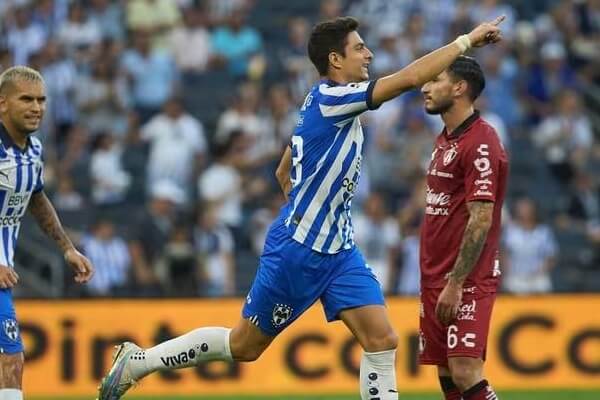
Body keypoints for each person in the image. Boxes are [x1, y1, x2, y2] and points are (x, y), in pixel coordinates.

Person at [98, 15, 504, 400]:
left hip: (339, 250)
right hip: (300, 250)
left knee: (382, 340)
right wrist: (467, 41)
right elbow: (411, 78)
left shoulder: (325, 101)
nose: (369, 55)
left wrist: (296, 179)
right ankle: (140, 361)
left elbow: (288, 160)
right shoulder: (335, 97)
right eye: (360, 49)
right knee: (243, 345)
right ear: (335, 59)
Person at [0, 66, 94, 399]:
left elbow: (36, 199)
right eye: (26, 99)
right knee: (9, 357)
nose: (36, 107)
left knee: (10, 358)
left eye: (41, 100)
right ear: (3, 104)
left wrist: (67, 247)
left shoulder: (34, 149)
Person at [418, 56, 508, 400]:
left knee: (465, 370)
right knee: (447, 375)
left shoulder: (480, 142)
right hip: (434, 274)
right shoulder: (445, 139)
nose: (424, 87)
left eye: (435, 80)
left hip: (465, 278)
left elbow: (481, 217)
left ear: (459, 88)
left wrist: (456, 283)